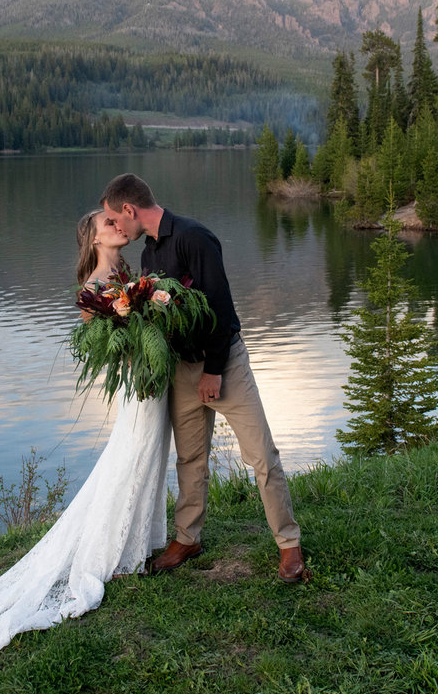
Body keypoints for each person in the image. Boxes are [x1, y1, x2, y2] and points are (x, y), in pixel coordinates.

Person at [0, 210, 172, 668]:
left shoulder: (127, 273)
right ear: (93, 237)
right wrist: (138, 326)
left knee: (146, 454)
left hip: (150, 376)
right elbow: (106, 345)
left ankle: (140, 542)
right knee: (131, 455)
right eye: (108, 221)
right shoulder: (95, 286)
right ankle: (114, 553)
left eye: (117, 219)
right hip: (138, 381)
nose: (117, 224)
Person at [100, 172, 306, 583]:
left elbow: (221, 307)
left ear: (130, 209)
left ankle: (289, 547)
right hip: (180, 371)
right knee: (190, 459)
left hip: (223, 363)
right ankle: (187, 538)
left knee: (262, 456)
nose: (116, 228)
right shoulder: (148, 256)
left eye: (115, 219)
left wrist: (213, 371)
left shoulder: (195, 237)